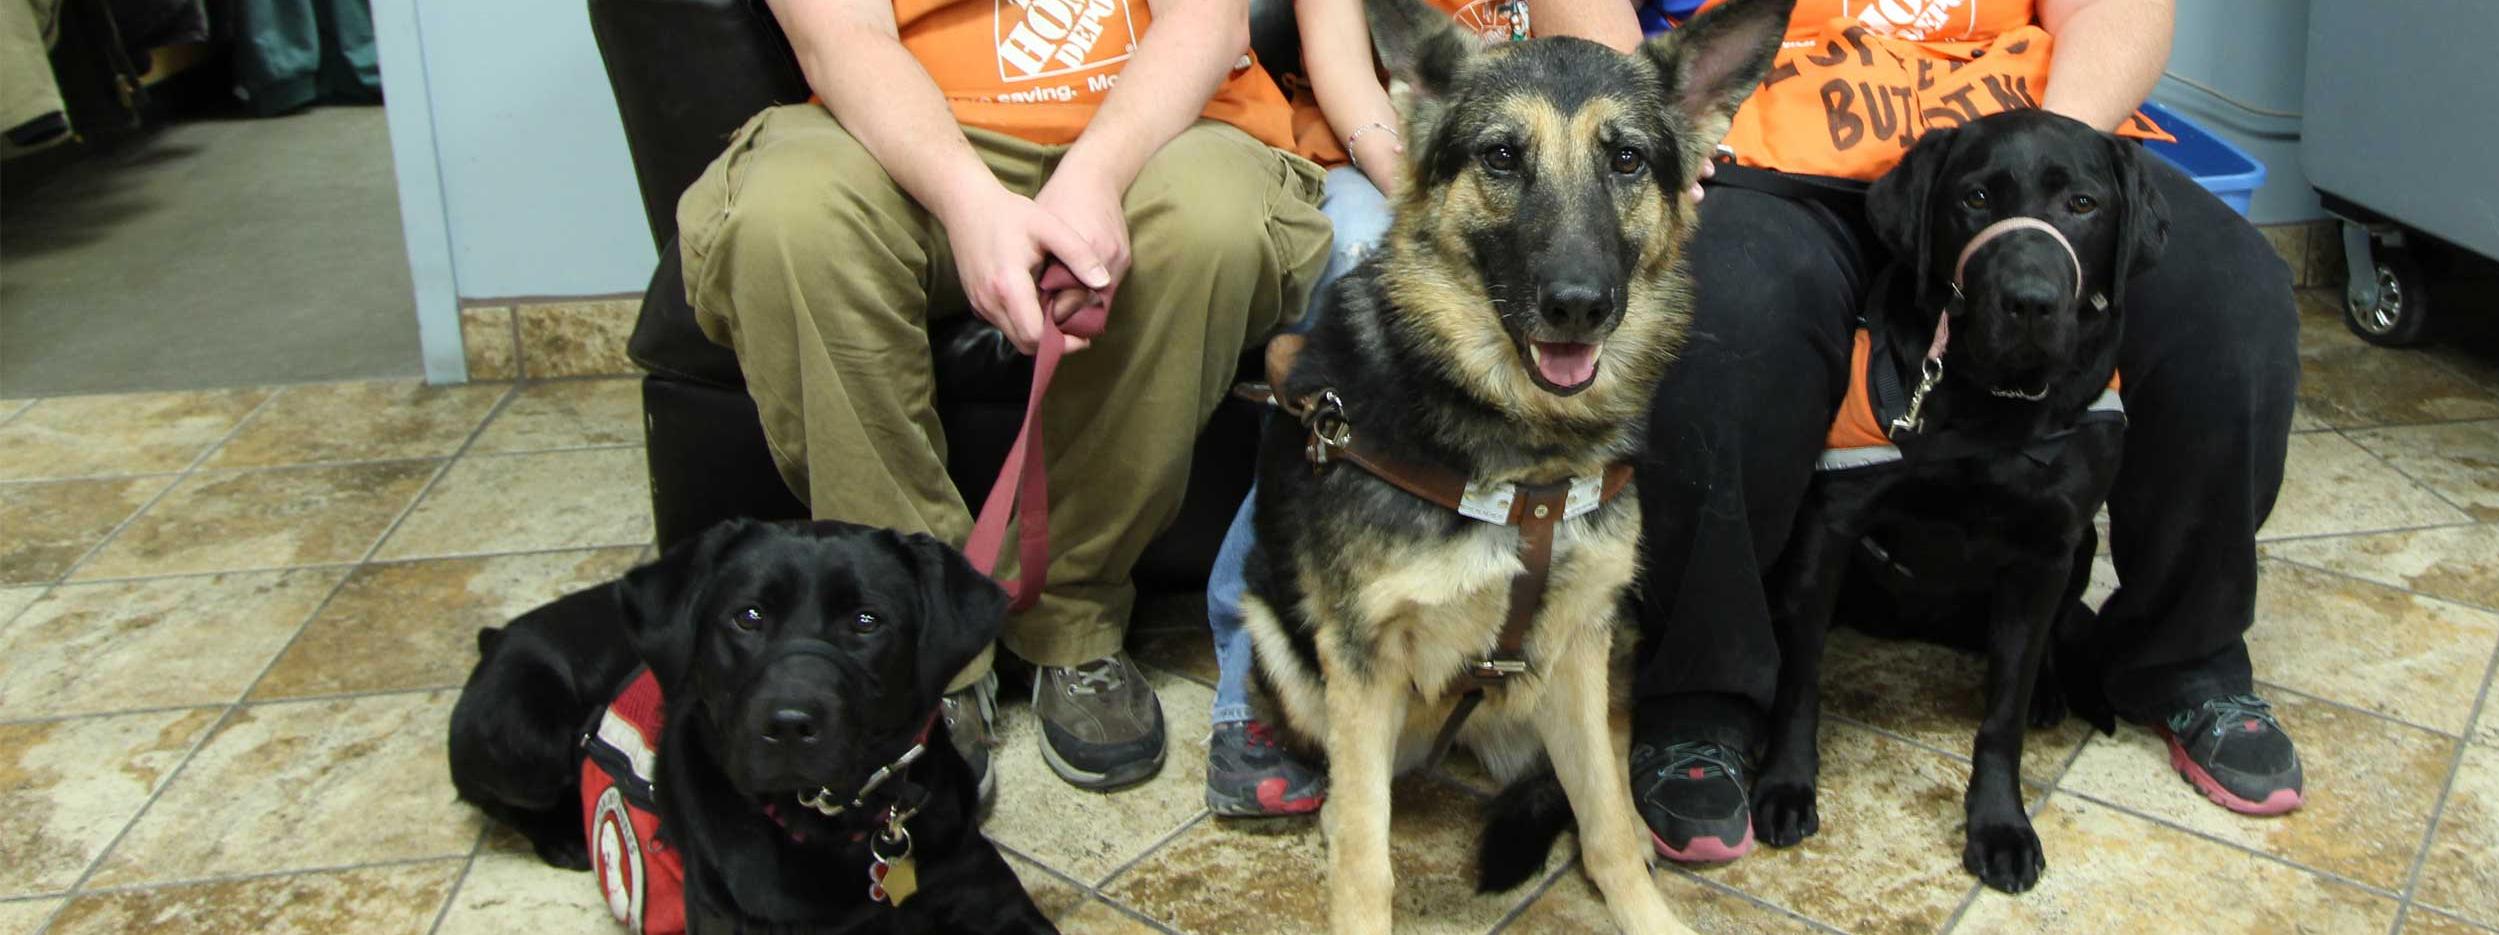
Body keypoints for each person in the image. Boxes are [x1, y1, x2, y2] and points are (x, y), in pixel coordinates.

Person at [1589, 0, 2311, 861]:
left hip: (2022, 141)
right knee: (1727, 309)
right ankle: (1703, 695)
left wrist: (2032, 199)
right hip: (1778, 139)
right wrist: (1645, 128)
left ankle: (2184, 652)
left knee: (2231, 303)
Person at [678, 0, 1334, 791]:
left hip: (1157, 126)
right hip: (906, 132)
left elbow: (1208, 21)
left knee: (1214, 222)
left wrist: (1094, 176)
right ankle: (915, 630)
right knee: (785, 219)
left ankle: (1072, 616)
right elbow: (839, 36)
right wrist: (968, 199)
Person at [1195, 0, 1650, 817]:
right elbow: (1348, 71)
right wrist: (1420, 178)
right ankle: (1253, 679)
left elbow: (1611, 52)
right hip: (1377, 151)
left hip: (1528, 159)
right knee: (1369, 249)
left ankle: (1516, 606)